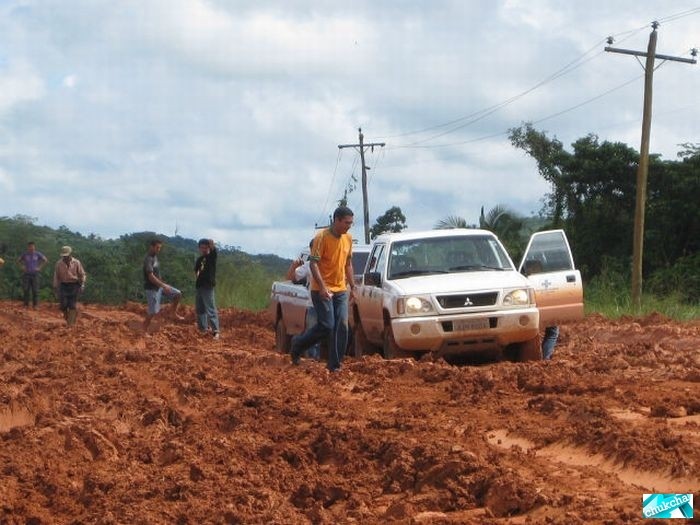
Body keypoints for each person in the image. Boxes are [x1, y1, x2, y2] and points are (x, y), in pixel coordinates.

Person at [290, 206, 355, 372]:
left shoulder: (348, 239)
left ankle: (335, 365)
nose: (349, 226)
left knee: (342, 325)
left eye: (351, 223)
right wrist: (323, 287)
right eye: (347, 223)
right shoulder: (322, 237)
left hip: (340, 289)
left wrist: (353, 286)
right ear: (337, 220)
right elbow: (313, 264)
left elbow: (348, 264)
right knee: (327, 325)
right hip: (321, 289)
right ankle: (298, 344)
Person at [142, 239, 183, 332]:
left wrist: (163, 284)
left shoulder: (155, 257)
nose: (158, 250)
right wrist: (163, 286)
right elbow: (151, 277)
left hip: (159, 286)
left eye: (160, 248)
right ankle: (144, 330)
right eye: (157, 247)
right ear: (151, 246)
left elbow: (156, 274)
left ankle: (173, 313)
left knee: (177, 294)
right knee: (153, 311)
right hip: (152, 289)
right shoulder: (148, 259)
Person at [522, 259, 559, 360]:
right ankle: (545, 358)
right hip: (537, 309)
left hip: (526, 312)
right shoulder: (542, 281)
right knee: (552, 330)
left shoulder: (521, 280)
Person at [52, 246, 86, 326]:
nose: (65, 257)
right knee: (63, 304)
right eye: (64, 256)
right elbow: (56, 276)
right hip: (63, 285)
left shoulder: (76, 262)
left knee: (72, 305)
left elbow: (82, 274)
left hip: (74, 285)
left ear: (70, 254)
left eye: (66, 256)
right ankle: (68, 318)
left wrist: (82, 284)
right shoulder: (59, 264)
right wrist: (55, 287)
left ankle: (71, 324)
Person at [194, 238, 220, 340]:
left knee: (210, 309)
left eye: (206, 247)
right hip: (199, 286)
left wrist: (212, 244)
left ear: (208, 247)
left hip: (208, 286)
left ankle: (216, 331)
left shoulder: (211, 257)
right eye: (202, 248)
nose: (204, 249)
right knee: (200, 309)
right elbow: (196, 271)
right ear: (199, 248)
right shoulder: (200, 260)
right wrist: (198, 278)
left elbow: (214, 252)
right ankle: (203, 329)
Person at [17, 241, 48, 308]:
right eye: (30, 246)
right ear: (28, 247)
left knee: (35, 290)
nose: (31, 248)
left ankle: (35, 305)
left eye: (33, 246)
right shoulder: (25, 254)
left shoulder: (37, 254)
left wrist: (39, 267)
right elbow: (18, 260)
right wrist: (22, 267)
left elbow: (45, 260)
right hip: (26, 274)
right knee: (26, 289)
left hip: (35, 274)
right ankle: (26, 304)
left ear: (34, 247)